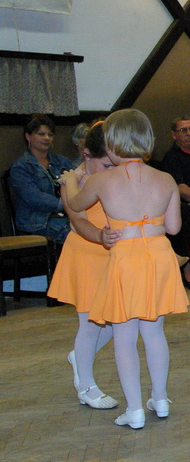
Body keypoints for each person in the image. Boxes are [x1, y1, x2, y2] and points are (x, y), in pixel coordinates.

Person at [64, 109, 189, 430]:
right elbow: (174, 227)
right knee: (154, 332)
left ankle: (134, 409)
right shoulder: (166, 179)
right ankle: (160, 398)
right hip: (159, 256)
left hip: (125, 258)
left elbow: (75, 206)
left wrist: (69, 183)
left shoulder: (101, 180)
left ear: (111, 143)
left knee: (124, 336)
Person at [49, 122, 121, 410]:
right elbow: (78, 221)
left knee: (120, 319)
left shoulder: (109, 177)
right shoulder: (73, 181)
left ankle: (80, 356)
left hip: (111, 252)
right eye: (106, 165)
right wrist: (101, 236)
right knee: (90, 322)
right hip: (86, 254)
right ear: (87, 154)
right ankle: (86, 386)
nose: (111, 170)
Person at [9, 114, 75, 243]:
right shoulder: (20, 167)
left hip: (67, 216)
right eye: (41, 134)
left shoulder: (62, 161)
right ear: (28, 136)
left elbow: (80, 181)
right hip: (37, 222)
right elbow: (35, 198)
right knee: (77, 236)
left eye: (50, 135)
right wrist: (66, 204)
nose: (47, 138)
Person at [161, 116, 190, 288]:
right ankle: (188, 270)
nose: (189, 133)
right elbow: (180, 188)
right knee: (187, 215)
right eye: (183, 130)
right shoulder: (172, 157)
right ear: (174, 135)